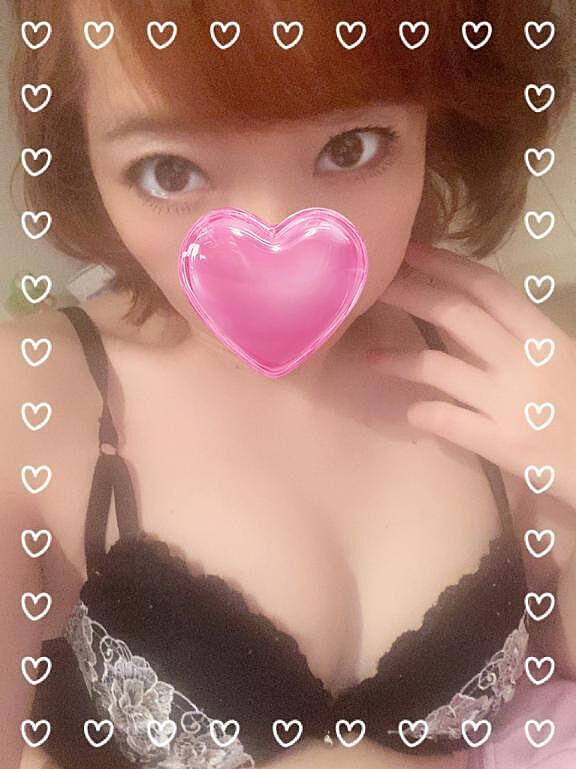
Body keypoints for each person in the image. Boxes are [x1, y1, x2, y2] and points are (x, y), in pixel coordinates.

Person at [4, 1, 576, 768]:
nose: (273, 234)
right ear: (83, 153)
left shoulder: (503, 380)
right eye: (170, 170)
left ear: (436, 125)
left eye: (351, 146)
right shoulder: (31, 396)